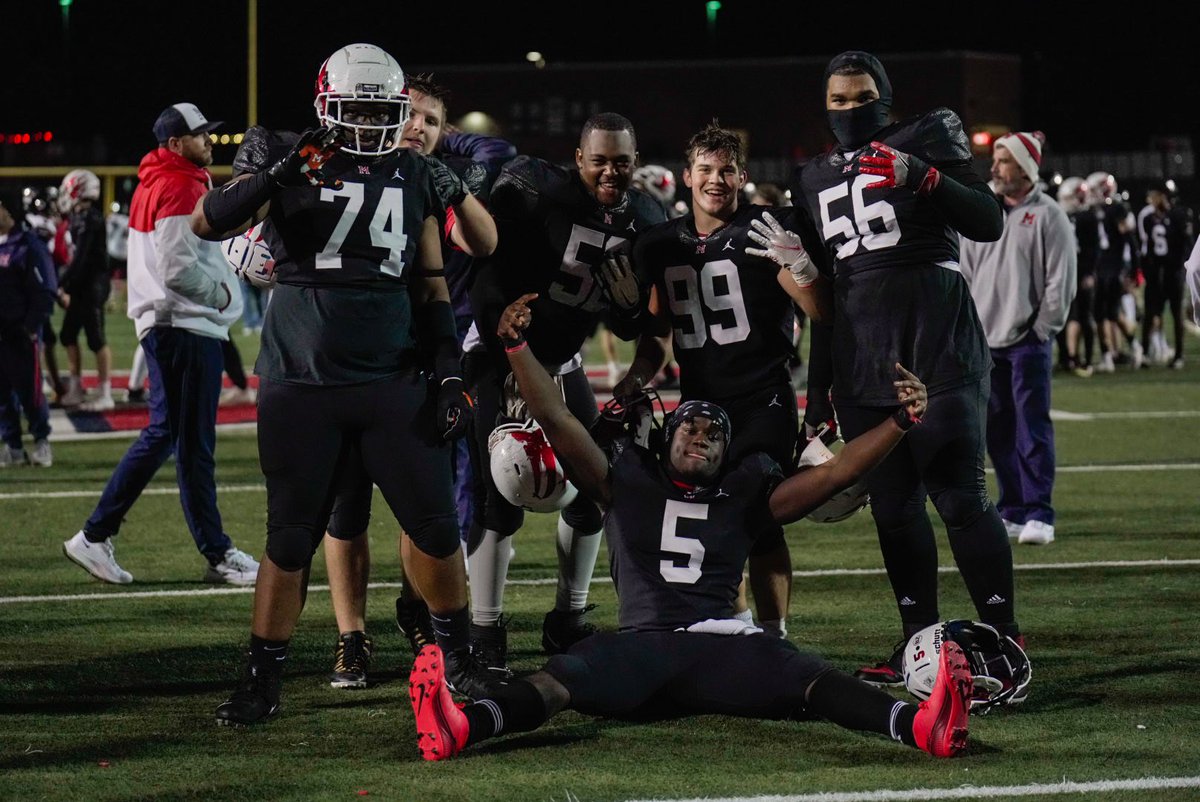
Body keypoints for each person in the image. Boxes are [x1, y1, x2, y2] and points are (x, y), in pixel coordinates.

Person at [408, 294, 977, 762]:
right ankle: (463, 725)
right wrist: (515, 347)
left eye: (714, 434)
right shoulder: (622, 480)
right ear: (666, 438)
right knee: (560, 678)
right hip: (641, 648)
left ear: (727, 454)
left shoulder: (746, 494)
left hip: (722, 647)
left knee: (810, 676)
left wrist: (901, 421)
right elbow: (556, 417)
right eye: (691, 427)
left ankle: (920, 725)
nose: (702, 435)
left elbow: (839, 472)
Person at [192, 44, 479, 725]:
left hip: (391, 379)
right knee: (290, 535)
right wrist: (277, 174)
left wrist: (447, 369)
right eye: (358, 110)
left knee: (436, 526)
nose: (370, 123)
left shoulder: (413, 170)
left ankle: (461, 658)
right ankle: (263, 678)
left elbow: (432, 281)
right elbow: (208, 220)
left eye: (382, 112)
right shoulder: (291, 156)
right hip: (302, 379)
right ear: (327, 106)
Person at [789, 51, 1022, 684]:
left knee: (961, 498)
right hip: (861, 358)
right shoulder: (810, 176)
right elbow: (825, 303)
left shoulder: (927, 134)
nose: (850, 109)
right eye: (838, 101)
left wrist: (925, 178)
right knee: (893, 509)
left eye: (862, 97)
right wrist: (818, 395)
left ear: (885, 97)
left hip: (937, 342)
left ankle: (1005, 642)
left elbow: (988, 221)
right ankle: (919, 647)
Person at [318, 72, 510, 691]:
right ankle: (351, 636)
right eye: (411, 115)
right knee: (346, 505)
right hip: (348, 362)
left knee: (424, 505)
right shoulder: (334, 172)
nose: (419, 128)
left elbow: (474, 237)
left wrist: (460, 181)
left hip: (418, 363)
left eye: (432, 120)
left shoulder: (430, 182)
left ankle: (417, 609)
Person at [464, 112, 666, 672]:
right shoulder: (536, 192)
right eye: (599, 160)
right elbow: (487, 279)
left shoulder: (645, 216)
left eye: (621, 161)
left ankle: (567, 618)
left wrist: (629, 307)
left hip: (564, 359)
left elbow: (628, 326)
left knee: (598, 490)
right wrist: (502, 339)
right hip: (500, 351)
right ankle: (484, 629)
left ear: (636, 160)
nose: (610, 171)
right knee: (499, 496)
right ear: (578, 158)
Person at [615, 121, 830, 634]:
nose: (716, 179)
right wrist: (637, 376)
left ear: (742, 177)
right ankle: (732, 625)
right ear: (687, 176)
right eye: (706, 169)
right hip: (699, 405)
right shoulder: (660, 244)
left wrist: (801, 266)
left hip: (762, 400)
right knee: (708, 516)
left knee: (760, 518)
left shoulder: (764, 230)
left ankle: (773, 636)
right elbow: (658, 334)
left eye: (727, 170)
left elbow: (821, 311)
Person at [61, 102, 257, 588]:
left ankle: (209, 550)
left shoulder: (159, 179)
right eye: (200, 134)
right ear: (175, 143)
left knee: (181, 440)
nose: (208, 141)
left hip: (172, 324)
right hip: (183, 324)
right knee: (183, 441)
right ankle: (100, 534)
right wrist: (222, 294)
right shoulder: (179, 183)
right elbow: (176, 269)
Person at [960, 132, 1076, 547]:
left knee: (1032, 429)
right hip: (985, 342)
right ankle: (1012, 507)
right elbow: (964, 273)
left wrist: (1042, 329)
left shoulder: (1049, 215)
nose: (994, 167)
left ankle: (1040, 512)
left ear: (1026, 168)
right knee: (997, 432)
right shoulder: (983, 212)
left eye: (1004, 160)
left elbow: (1060, 281)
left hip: (1028, 340)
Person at [0, 190, 56, 467]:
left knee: (29, 392)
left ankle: (42, 442)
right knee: (1, 395)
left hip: (20, 333)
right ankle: (13, 446)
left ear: (7, 210)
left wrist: (31, 327)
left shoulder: (28, 244)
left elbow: (45, 289)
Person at [56, 169, 115, 410]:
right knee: (68, 334)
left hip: (92, 285)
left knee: (96, 338)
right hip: (82, 284)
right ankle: (76, 387)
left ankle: (105, 392)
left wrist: (61, 282)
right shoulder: (79, 217)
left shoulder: (90, 218)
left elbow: (80, 259)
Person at [1137, 183, 1193, 368]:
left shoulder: (1178, 215)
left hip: (1173, 271)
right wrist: (1147, 269)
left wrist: (1182, 268)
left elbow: (1186, 244)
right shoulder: (1149, 218)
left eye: (1155, 196)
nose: (1152, 200)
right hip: (1155, 272)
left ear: (1163, 196)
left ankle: (1179, 355)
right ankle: (1145, 353)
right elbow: (1148, 248)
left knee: (1176, 314)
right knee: (1150, 313)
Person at [1056, 177, 1098, 376]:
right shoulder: (1061, 216)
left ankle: (1085, 359)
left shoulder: (1087, 218)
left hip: (1080, 271)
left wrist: (1089, 272)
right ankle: (1068, 357)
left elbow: (1094, 248)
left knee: (1083, 315)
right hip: (1064, 271)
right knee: (1064, 316)